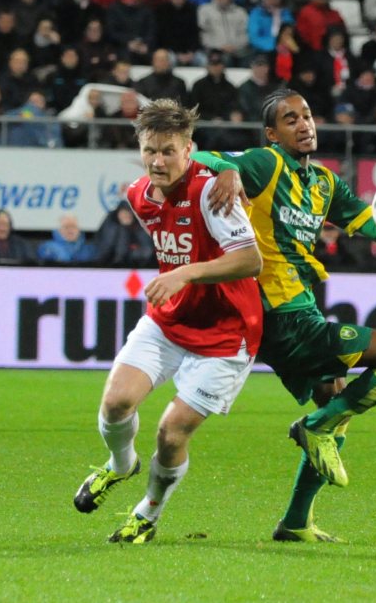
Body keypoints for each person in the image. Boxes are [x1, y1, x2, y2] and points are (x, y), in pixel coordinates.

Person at [190, 87, 376, 542]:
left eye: (307, 115)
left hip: (301, 310)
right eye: (290, 119)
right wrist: (232, 170)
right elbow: (206, 158)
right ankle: (314, 427)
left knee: (336, 401)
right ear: (272, 133)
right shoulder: (266, 163)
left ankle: (296, 521)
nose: (304, 124)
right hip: (281, 314)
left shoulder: (325, 183)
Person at [72, 99, 263, 544]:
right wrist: (180, 275)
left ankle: (148, 512)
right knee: (116, 402)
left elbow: (250, 261)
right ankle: (120, 465)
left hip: (227, 333)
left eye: (169, 151)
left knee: (170, 433)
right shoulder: (137, 194)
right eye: (150, 150)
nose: (158, 161)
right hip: (170, 321)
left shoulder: (212, 194)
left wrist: (186, 271)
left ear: (189, 149)